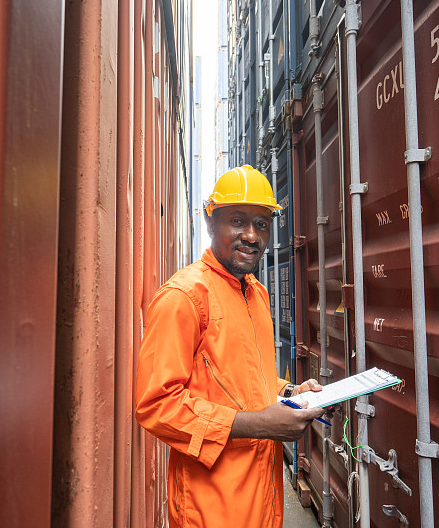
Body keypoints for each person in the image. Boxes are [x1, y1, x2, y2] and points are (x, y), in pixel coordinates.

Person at [135, 165, 325, 528]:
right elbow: (156, 405)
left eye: (262, 224)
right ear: (211, 223)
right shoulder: (184, 297)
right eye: (237, 221)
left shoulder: (257, 294)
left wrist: (291, 392)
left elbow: (245, 380)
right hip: (211, 507)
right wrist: (260, 425)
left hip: (262, 498)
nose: (251, 236)